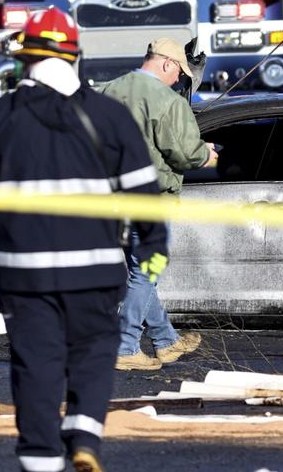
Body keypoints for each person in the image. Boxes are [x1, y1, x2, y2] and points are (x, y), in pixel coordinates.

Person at [0, 7, 167, 472]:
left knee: (36, 361)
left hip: (23, 270)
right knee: (93, 349)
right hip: (94, 268)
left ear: (23, 58)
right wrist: (153, 249)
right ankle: (86, 434)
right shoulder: (109, 116)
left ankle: (41, 459)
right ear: (75, 56)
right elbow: (145, 192)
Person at [100, 37, 217, 371]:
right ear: (167, 62)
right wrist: (205, 153)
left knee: (141, 274)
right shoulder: (168, 101)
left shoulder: (107, 90)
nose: (179, 80)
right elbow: (184, 153)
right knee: (146, 273)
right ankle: (125, 347)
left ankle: (166, 341)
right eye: (179, 72)